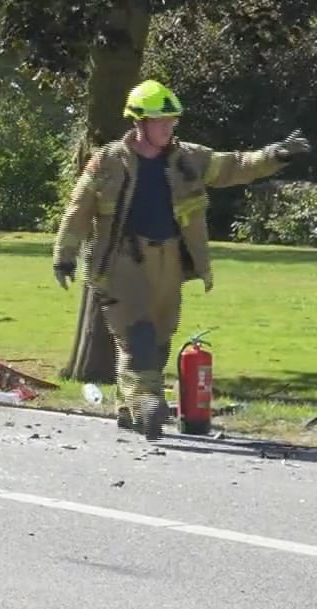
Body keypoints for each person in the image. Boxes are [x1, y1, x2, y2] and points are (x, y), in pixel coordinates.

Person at [52, 80, 308, 437]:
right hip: (121, 262)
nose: (169, 127)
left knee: (158, 337)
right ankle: (147, 401)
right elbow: (78, 209)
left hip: (170, 261)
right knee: (136, 336)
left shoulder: (188, 158)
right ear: (139, 121)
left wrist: (276, 154)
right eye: (161, 121)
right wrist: (64, 256)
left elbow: (233, 166)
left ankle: (128, 407)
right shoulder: (107, 161)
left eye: (172, 121)